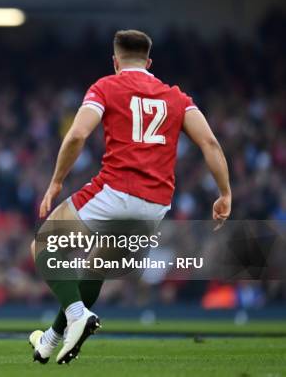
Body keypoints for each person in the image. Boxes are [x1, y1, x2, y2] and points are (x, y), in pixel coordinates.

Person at [28, 30, 231, 364]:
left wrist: (55, 182)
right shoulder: (177, 97)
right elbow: (209, 143)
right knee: (96, 267)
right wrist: (225, 193)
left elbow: (78, 133)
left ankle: (78, 315)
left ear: (115, 60)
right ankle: (50, 340)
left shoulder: (107, 86)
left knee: (44, 246)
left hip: (116, 189)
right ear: (149, 62)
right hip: (155, 205)